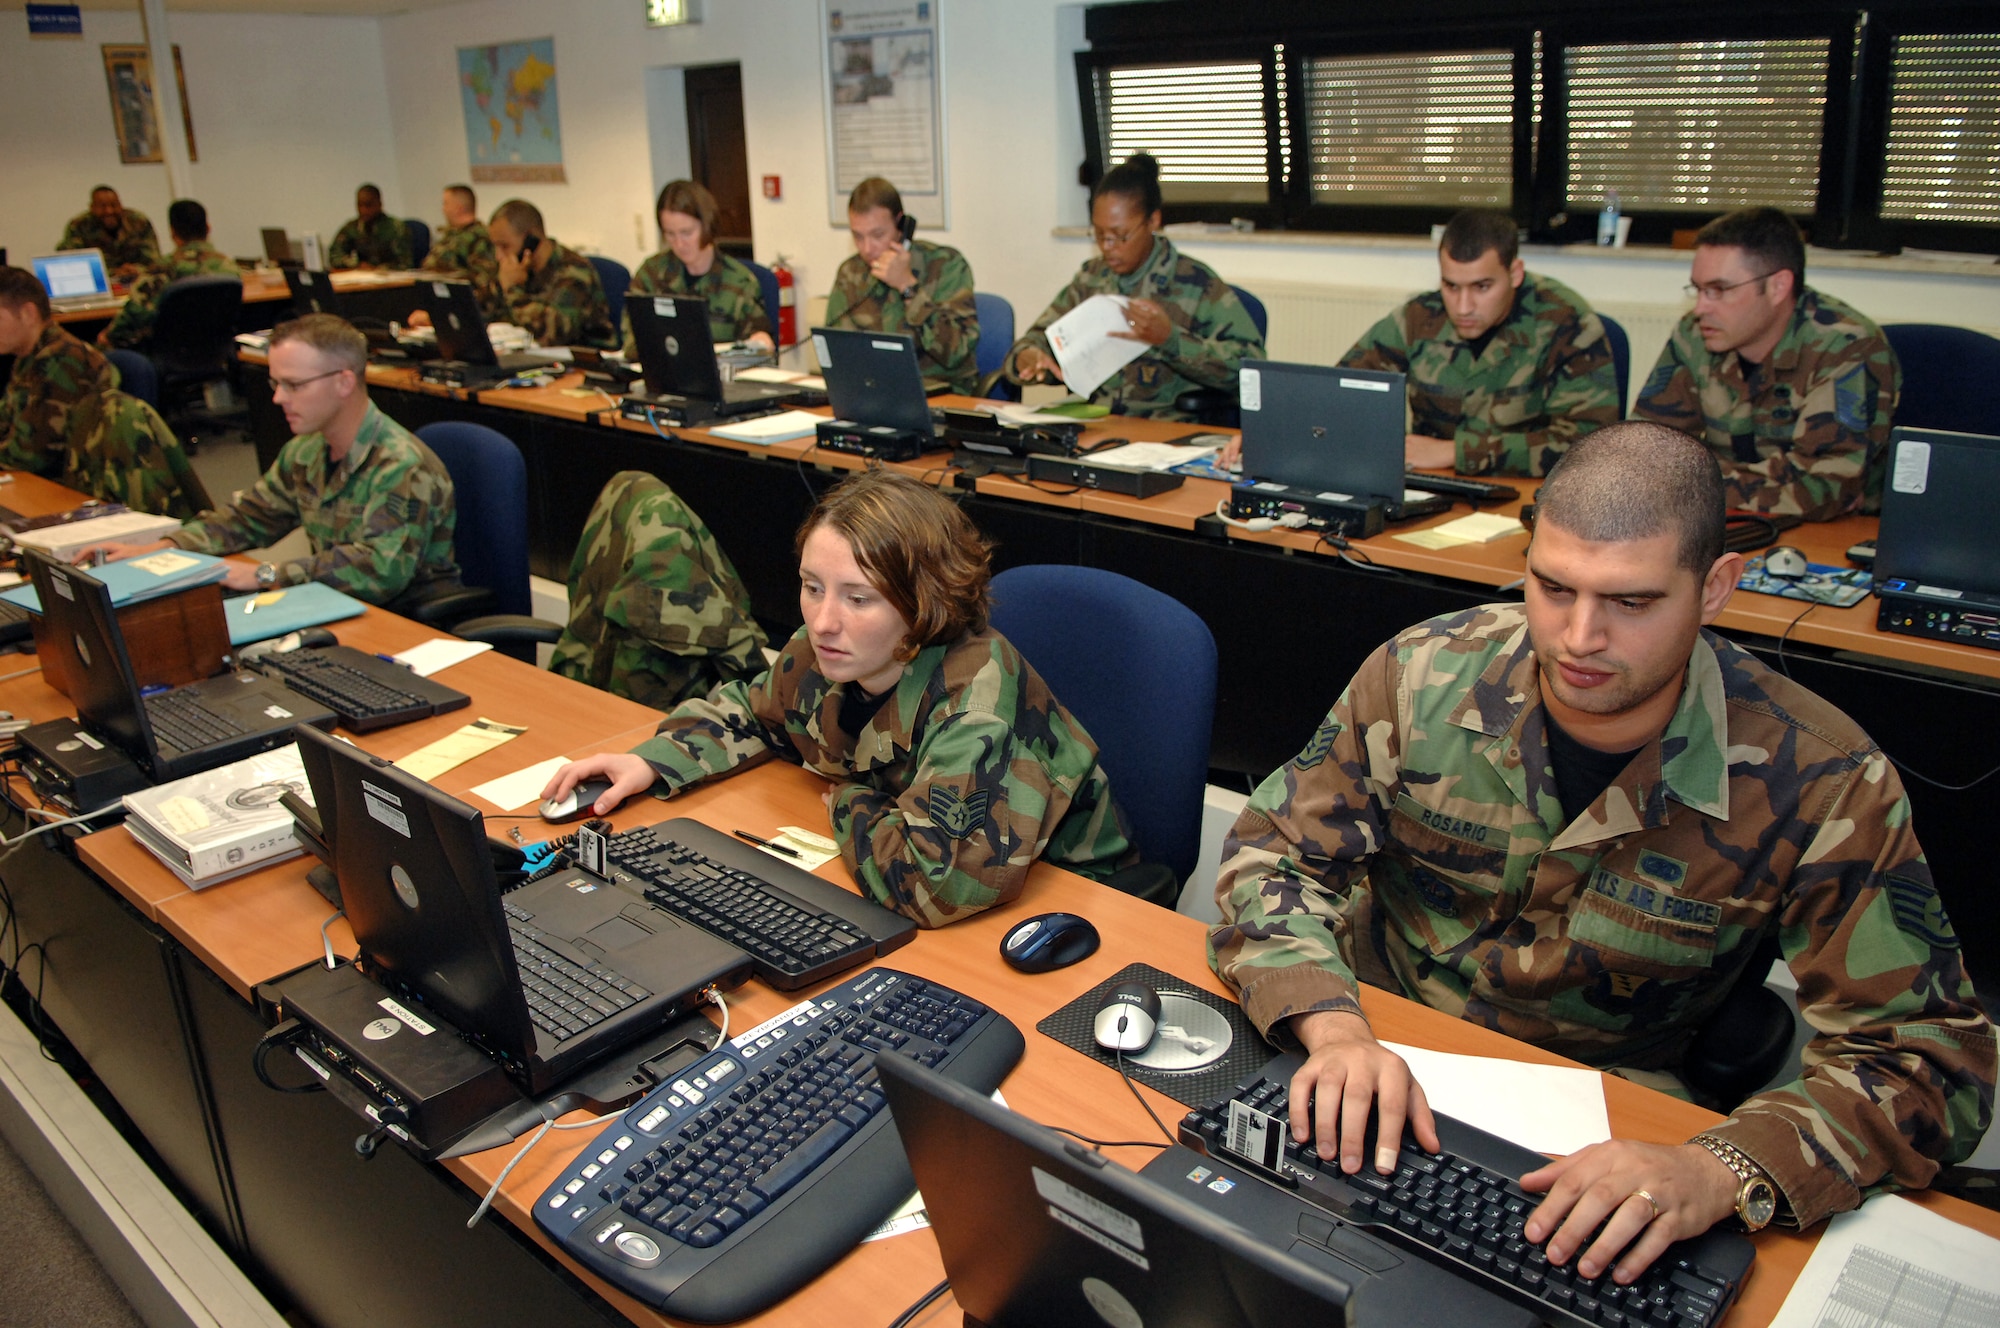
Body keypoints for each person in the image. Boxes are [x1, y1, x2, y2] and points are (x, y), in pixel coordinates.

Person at [1208, 421, 1993, 1284]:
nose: (1579, 636)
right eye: (1552, 587)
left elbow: (1928, 1063)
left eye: (1631, 602)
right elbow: (1273, 854)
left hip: (1608, 1118)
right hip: (1378, 1044)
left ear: (1717, 586)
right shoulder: (1421, 673)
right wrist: (1334, 1026)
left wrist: (1720, 1169)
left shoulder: (1822, 778)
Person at [543, 469, 1136, 928]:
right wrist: (651, 761)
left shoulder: (975, 708)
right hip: (937, 866)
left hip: (1069, 901)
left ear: (922, 603)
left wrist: (848, 799)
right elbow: (754, 711)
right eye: (812, 587)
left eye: (858, 598)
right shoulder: (829, 649)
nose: (823, 621)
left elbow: (932, 888)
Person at [79, 314, 459, 606]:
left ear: (344, 382)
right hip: (334, 604)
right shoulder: (307, 450)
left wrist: (265, 574)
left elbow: (380, 571)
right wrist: (163, 546)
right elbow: (247, 519)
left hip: (407, 620)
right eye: (275, 383)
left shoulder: (400, 463)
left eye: (294, 385)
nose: (279, 399)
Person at [1634, 207, 1900, 520]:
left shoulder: (1846, 348)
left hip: (1830, 535)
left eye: (1719, 290)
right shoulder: (1693, 336)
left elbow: (1825, 489)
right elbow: (1641, 456)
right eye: (1698, 289)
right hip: (1724, 521)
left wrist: (1693, 482)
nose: (1701, 307)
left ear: (1777, 287)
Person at [1341, 208, 1619, 476]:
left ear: (1515, 274)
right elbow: (1343, 392)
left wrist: (1458, 452)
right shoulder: (1419, 317)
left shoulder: (1566, 322)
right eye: (1451, 286)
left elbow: (1591, 445)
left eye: (1482, 287)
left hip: (1527, 495)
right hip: (1432, 486)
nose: (1463, 307)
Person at [1008, 153, 1263, 420]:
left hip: (1167, 432)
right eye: (1098, 234)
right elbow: (1039, 339)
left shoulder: (1197, 285)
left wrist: (1170, 340)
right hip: (1097, 427)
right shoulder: (1091, 278)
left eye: (1120, 236)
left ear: (1153, 221)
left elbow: (1250, 369)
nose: (1107, 247)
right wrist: (1029, 357)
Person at [822, 178, 978, 394]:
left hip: (940, 392)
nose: (867, 248)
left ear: (901, 225)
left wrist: (907, 286)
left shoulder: (945, 265)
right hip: (874, 393)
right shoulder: (851, 272)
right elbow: (834, 350)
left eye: (877, 235)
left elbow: (956, 351)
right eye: (858, 236)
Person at [623, 179, 774, 357]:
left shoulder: (740, 282)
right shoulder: (651, 273)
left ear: (707, 225)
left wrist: (760, 343)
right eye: (670, 234)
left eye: (687, 233)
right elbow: (632, 344)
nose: (679, 243)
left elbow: (757, 350)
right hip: (663, 379)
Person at [0, 265, 118, 477]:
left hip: (72, 484)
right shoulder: (28, 357)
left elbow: (30, 456)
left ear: (28, 313)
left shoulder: (60, 361)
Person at [99, 199, 239, 350]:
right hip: (217, 352)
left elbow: (134, 314)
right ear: (208, 228)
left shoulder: (161, 270)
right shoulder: (229, 268)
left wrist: (107, 335)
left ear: (173, 232)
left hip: (169, 353)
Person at [487, 199, 616, 349]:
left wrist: (512, 290)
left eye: (504, 246)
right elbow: (482, 311)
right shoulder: (516, 267)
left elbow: (553, 333)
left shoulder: (574, 271)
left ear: (532, 238)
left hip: (583, 360)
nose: (498, 256)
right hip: (532, 359)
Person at [418, 183, 502, 322]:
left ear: (459, 208)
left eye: (446, 204)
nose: (443, 209)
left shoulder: (479, 238)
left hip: (459, 310)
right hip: (436, 298)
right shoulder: (452, 234)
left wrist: (438, 315)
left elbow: (482, 286)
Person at [58, 186, 160, 281]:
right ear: (92, 207)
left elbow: (154, 260)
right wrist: (113, 273)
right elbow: (73, 265)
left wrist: (137, 269)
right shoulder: (79, 226)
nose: (109, 211)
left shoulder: (138, 221)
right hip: (100, 284)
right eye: (102, 206)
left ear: (121, 205)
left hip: (138, 280)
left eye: (114, 205)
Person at [328, 184, 413, 271]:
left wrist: (378, 269)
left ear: (379, 204)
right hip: (363, 278)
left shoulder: (396, 227)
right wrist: (355, 264)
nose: (363, 210)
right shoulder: (353, 227)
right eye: (360, 205)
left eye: (368, 205)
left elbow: (405, 263)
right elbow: (335, 254)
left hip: (390, 277)